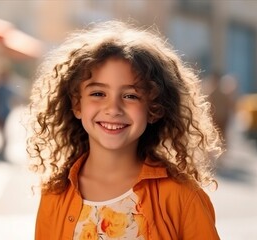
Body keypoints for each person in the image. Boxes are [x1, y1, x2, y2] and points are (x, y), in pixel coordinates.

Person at [27, 21, 223, 239]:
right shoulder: (55, 194)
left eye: (131, 96)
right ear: (76, 104)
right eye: (98, 94)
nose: (113, 109)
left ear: (154, 108)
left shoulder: (183, 195)